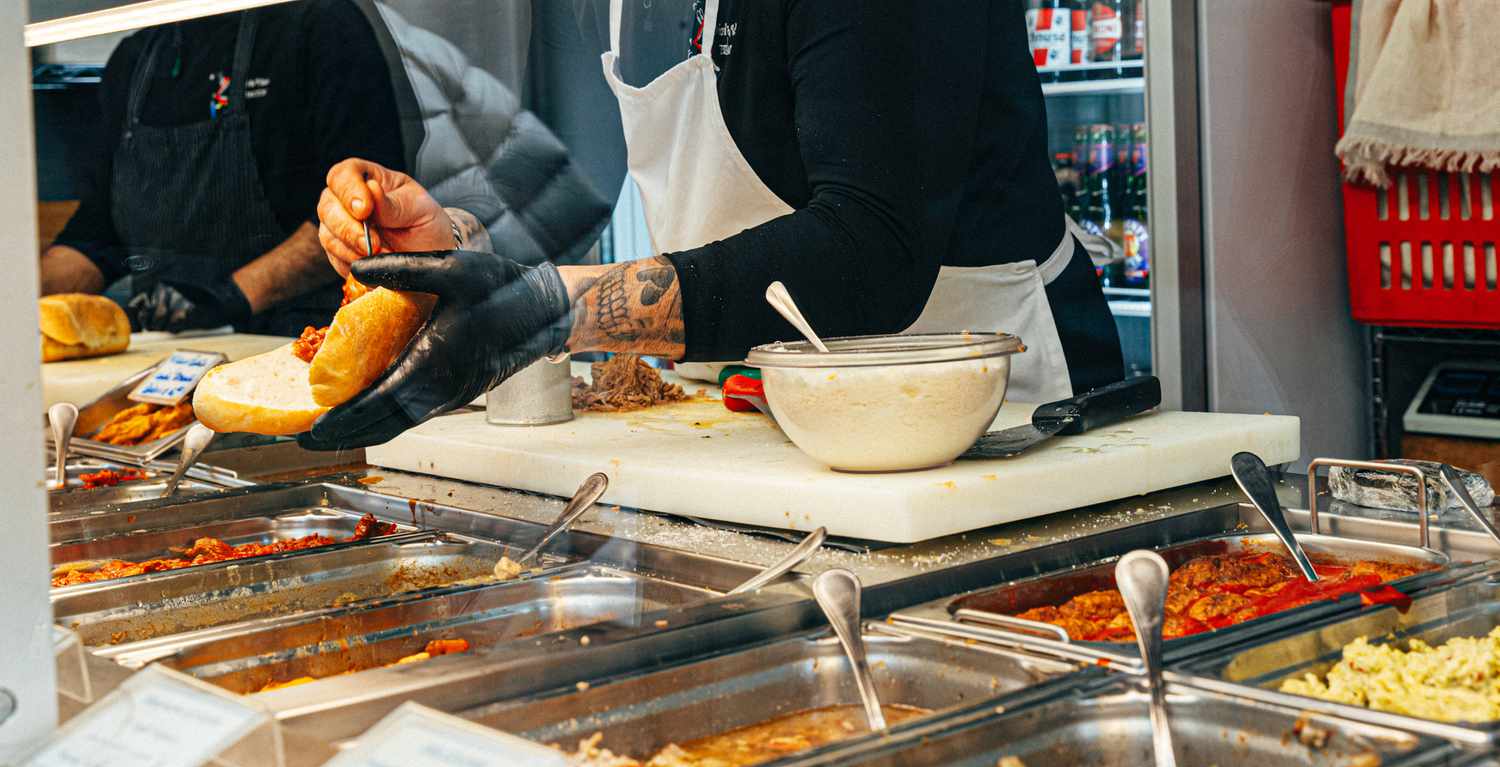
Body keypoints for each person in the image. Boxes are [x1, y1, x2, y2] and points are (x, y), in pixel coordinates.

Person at [303, 0, 1124, 450]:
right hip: (749, 404)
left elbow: (872, 250)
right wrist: (452, 238)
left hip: (987, 406)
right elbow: (581, 175)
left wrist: (549, 311)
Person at [40, 2, 406, 337]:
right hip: (169, 348)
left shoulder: (318, 23)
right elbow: (99, 232)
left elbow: (357, 211)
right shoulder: (137, 58)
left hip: (301, 336)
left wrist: (221, 299)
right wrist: (25, 292)